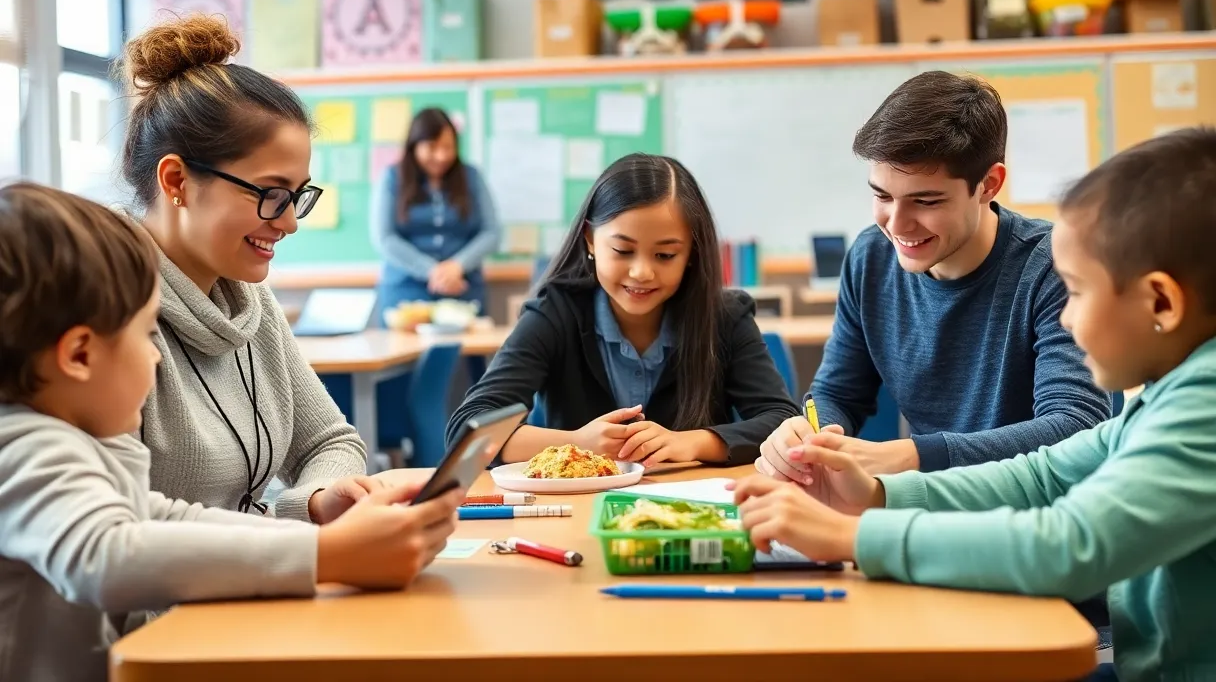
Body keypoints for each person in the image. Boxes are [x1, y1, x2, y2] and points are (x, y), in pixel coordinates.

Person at [732, 127, 1216, 682]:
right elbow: (1042, 477)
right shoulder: (1173, 391)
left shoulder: (1205, 407)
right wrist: (878, 493)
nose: (1065, 316)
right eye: (883, 196)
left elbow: (1069, 545)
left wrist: (852, 536)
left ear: (1161, 301)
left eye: (1078, 292)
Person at [0, 182, 463, 682]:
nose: (156, 355)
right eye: (144, 334)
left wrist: (327, 535)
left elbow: (165, 519)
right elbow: (105, 553)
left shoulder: (77, 440)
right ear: (79, 355)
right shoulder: (26, 445)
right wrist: (329, 555)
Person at [758, 71, 1109, 481]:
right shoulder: (871, 256)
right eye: (882, 196)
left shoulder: (1056, 265)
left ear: (988, 185)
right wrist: (810, 437)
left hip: (1042, 513)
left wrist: (914, 455)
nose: (898, 225)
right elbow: (838, 392)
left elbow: (1074, 427)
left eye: (926, 201)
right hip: (930, 501)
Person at [120, 13, 370, 521]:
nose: (289, 223)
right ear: (177, 182)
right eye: (271, 194)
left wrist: (317, 501)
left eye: (296, 197)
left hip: (248, 586)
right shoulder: (105, 300)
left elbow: (330, 441)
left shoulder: (245, 297)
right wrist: (292, 545)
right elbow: (120, 524)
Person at [445, 153, 800, 466]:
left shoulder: (725, 316)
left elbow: (783, 421)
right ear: (590, 240)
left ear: (691, 252)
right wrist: (577, 443)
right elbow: (468, 430)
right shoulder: (555, 313)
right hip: (572, 512)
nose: (642, 272)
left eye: (665, 255)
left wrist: (691, 442)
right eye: (623, 250)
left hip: (688, 514)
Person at [371, 107, 500, 317]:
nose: (441, 156)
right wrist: (434, 271)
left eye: (448, 147)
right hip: (405, 293)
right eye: (432, 147)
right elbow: (385, 238)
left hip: (463, 290)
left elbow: (491, 233)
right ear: (414, 146)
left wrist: (456, 267)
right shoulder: (392, 178)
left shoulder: (472, 177)